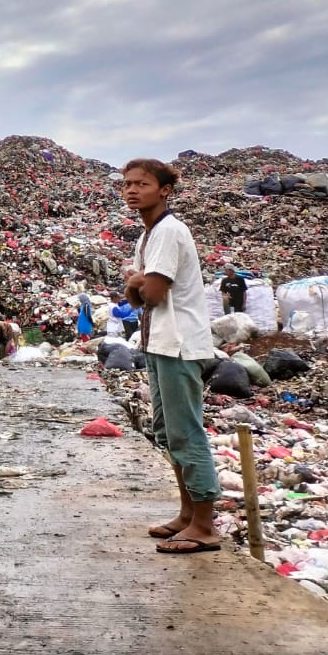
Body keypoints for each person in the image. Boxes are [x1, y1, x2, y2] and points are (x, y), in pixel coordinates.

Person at [121, 158, 219, 555]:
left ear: (164, 190)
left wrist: (137, 285)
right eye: (127, 184)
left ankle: (205, 526)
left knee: (185, 432)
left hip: (178, 343)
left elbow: (153, 294)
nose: (131, 190)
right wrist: (136, 285)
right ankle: (185, 514)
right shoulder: (145, 237)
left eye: (141, 184)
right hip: (158, 342)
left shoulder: (168, 231)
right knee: (167, 433)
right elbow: (135, 296)